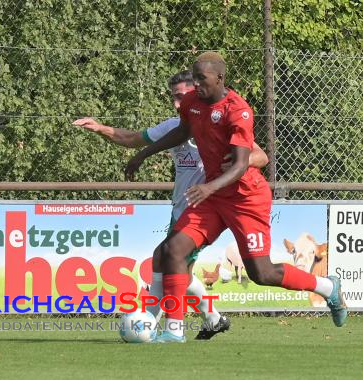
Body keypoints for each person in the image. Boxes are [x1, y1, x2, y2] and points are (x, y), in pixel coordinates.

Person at [125, 52, 347, 343]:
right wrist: (143, 153)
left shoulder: (237, 110)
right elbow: (182, 132)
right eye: (194, 78)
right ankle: (173, 331)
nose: (196, 84)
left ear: (219, 78)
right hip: (214, 196)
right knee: (172, 250)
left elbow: (243, 163)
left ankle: (327, 287)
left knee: (261, 273)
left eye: (201, 79)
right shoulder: (192, 103)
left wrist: (207, 187)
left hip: (246, 198)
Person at [73, 70, 269, 340]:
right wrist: (101, 128)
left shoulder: (218, 123)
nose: (177, 104)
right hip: (181, 208)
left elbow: (259, 155)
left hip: (204, 209)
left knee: (168, 258)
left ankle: (154, 324)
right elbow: (132, 138)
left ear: (198, 91)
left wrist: (238, 163)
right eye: (174, 98)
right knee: (170, 263)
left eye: (181, 96)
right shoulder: (172, 128)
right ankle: (212, 318)